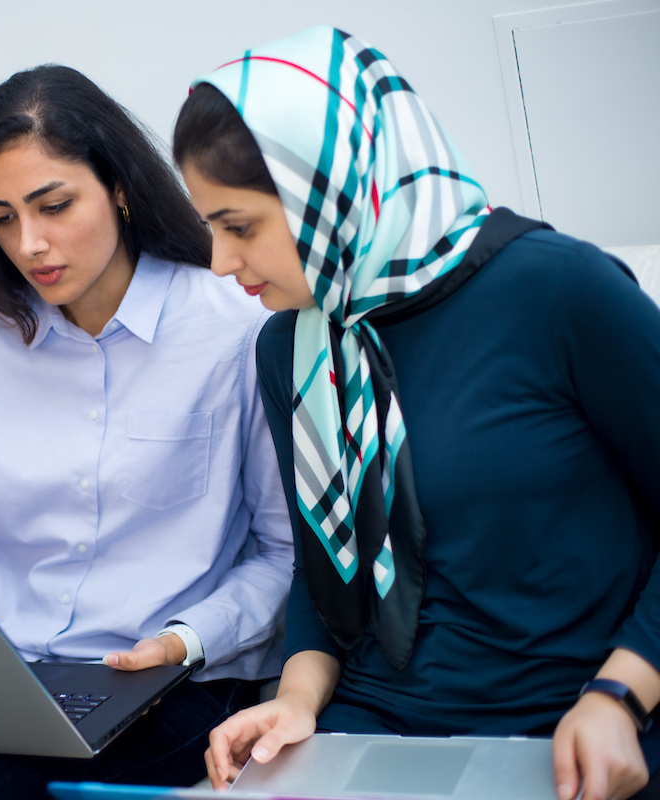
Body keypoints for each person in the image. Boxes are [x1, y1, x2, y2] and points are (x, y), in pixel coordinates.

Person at [172, 25, 660, 800]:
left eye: (241, 227)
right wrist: (294, 705)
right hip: (371, 726)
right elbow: (322, 567)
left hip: (570, 729)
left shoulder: (562, 292)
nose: (220, 262)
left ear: (332, 191)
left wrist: (619, 696)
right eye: (210, 228)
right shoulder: (290, 348)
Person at [0, 65, 294, 798]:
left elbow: (284, 554)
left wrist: (186, 639)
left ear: (117, 185)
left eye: (54, 206)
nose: (30, 244)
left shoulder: (233, 325)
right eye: (2, 217)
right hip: (15, 681)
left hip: (179, 680)